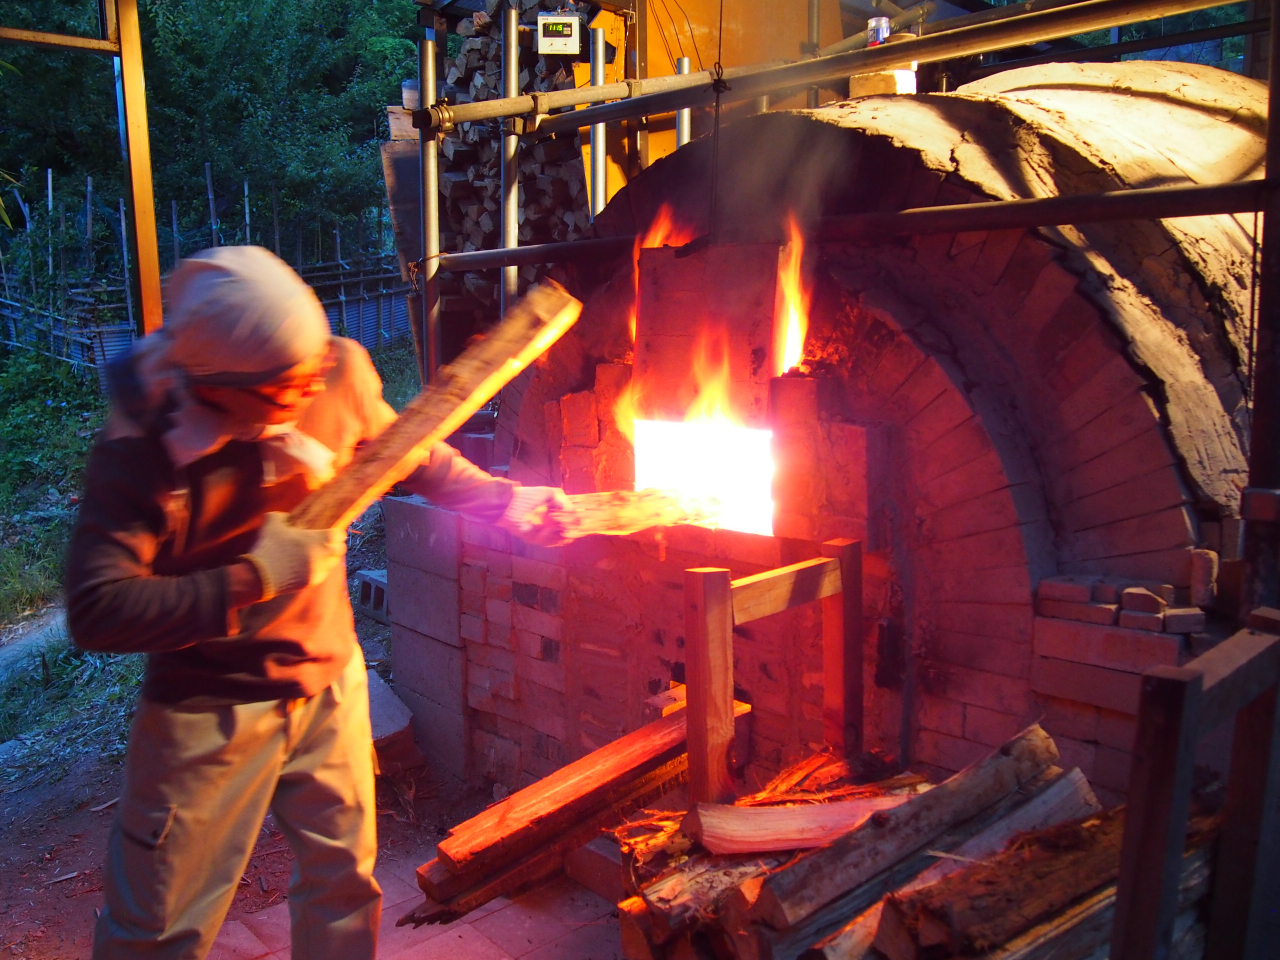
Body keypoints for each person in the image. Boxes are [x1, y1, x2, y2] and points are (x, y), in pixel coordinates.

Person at [65, 246, 572, 960]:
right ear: (213, 385)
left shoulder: (334, 371)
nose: (306, 395)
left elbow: (409, 452)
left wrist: (503, 501)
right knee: (158, 928)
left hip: (329, 682)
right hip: (208, 709)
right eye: (281, 390)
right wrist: (249, 577)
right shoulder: (142, 448)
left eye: (312, 375)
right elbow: (97, 609)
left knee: (344, 887)